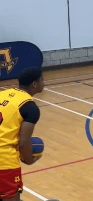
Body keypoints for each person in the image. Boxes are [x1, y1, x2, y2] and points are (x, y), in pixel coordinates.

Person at [0, 67, 44, 200]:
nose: (44, 83)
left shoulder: (3, 94)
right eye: (42, 80)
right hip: (4, 161)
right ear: (34, 84)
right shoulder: (29, 107)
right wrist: (29, 160)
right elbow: (24, 143)